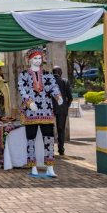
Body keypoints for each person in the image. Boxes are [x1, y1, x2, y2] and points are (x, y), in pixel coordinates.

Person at [17, 48, 63, 177]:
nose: (38, 61)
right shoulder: (24, 75)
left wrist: (58, 96)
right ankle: (33, 166)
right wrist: (28, 101)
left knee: (48, 139)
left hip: (46, 111)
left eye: (39, 58)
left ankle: (50, 167)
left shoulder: (48, 74)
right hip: (30, 112)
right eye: (35, 58)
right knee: (30, 139)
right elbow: (22, 89)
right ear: (30, 60)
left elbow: (53, 87)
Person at [52, 66, 73, 156]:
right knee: (61, 129)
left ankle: (49, 149)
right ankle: (61, 149)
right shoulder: (65, 81)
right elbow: (70, 97)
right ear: (60, 73)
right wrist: (66, 105)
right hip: (62, 108)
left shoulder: (48, 82)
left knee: (49, 129)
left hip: (50, 108)